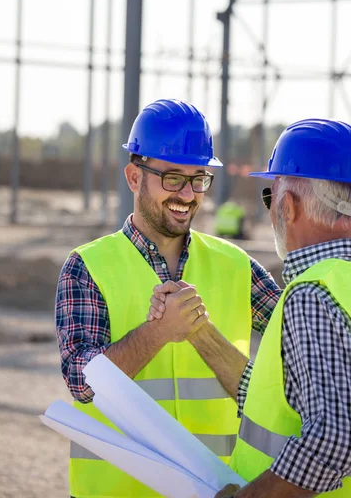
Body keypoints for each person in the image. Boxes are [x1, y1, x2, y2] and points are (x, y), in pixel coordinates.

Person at [55, 99, 281, 498]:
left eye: (199, 179)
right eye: (173, 178)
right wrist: (157, 332)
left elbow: (297, 339)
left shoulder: (237, 266)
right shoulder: (88, 266)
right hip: (116, 491)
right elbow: (81, 382)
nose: (188, 194)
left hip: (217, 488)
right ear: (133, 177)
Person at [149, 118, 351, 497]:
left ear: (288, 205)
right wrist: (200, 332)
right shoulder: (340, 286)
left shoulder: (313, 293)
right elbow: (281, 400)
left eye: (269, 196)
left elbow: (334, 440)